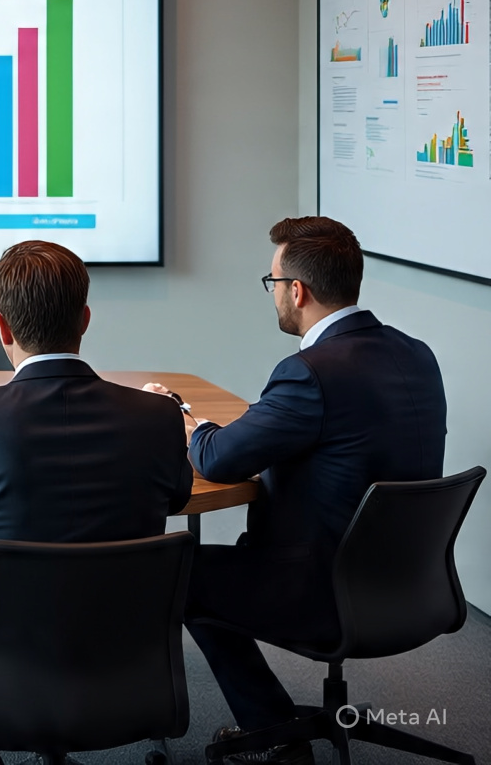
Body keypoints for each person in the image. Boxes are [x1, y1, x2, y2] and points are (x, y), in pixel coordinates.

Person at [0, 240, 194, 765]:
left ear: (3, 328)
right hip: (122, 646)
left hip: (1, 655)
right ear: (85, 319)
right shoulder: (158, 417)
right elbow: (178, 494)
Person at [147, 216, 446, 765]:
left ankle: (275, 731)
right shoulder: (417, 354)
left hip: (323, 591)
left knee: (179, 573)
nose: (273, 294)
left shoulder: (311, 372)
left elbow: (218, 459)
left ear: (298, 290)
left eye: (273, 282)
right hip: (411, 585)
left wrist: (186, 422)